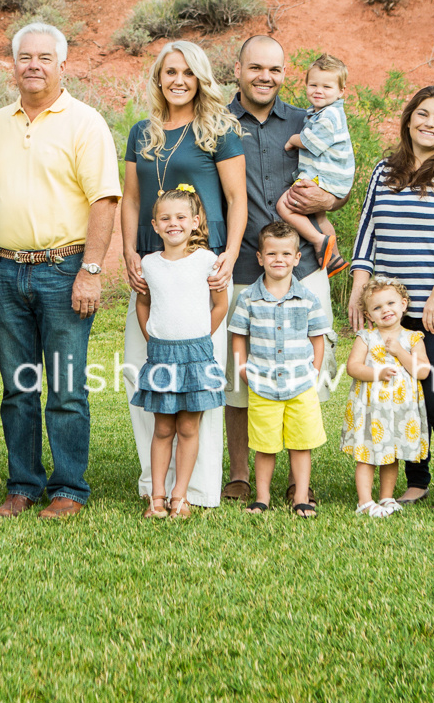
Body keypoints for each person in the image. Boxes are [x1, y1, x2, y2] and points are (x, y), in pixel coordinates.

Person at [0, 22, 121, 519]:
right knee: (17, 387)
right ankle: (22, 484)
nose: (33, 65)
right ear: (12, 66)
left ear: (62, 65)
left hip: (65, 269)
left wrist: (92, 269)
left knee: (66, 387)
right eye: (24, 58)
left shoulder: (84, 122)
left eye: (44, 58)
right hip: (4, 271)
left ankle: (69, 488)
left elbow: (104, 199)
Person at [223, 35, 348, 504]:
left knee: (307, 373)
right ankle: (239, 473)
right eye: (256, 68)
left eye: (274, 70)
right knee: (241, 378)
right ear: (238, 69)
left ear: (284, 73)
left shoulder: (306, 119)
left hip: (305, 266)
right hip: (240, 266)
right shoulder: (218, 122)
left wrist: (335, 200)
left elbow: (338, 175)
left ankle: (300, 479)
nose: (265, 77)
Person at [122, 40, 246, 508]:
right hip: (152, 264)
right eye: (169, 72)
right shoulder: (141, 132)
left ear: (200, 79)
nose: (178, 80)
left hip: (203, 265)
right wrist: (132, 253)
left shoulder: (219, 130)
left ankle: (195, 488)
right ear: (159, 78)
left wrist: (229, 255)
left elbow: (236, 199)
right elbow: (131, 200)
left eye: (187, 73)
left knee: (199, 381)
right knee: (144, 371)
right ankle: (153, 484)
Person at [348, 85, 434, 506]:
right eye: (423, 113)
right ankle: (416, 480)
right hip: (388, 313)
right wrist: (358, 289)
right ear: (408, 118)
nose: (430, 123)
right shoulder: (384, 170)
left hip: (432, 308)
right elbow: (366, 234)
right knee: (398, 394)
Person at [131, 186, 228, 519]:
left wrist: (200, 337)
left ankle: (180, 497)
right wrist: (153, 335)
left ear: (195, 221)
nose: (174, 224)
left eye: (181, 217)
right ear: (155, 225)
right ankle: (156, 497)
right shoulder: (149, 264)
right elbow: (143, 303)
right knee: (162, 429)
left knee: (189, 429)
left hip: (197, 356)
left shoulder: (207, 261)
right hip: (161, 355)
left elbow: (220, 304)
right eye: (165, 218)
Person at [229, 222, 331, 517]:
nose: (279, 259)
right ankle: (262, 497)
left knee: (302, 443)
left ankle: (300, 496)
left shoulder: (307, 298)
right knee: (265, 444)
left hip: (301, 385)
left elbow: (317, 337)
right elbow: (238, 336)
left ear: (297, 258)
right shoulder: (248, 297)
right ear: (260, 257)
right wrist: (242, 368)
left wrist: (314, 369)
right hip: (262, 383)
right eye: (272, 253)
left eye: (286, 253)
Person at [342, 276, 430, 517]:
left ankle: (387, 497)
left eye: (390, 303)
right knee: (368, 455)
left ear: (403, 304)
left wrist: (399, 351)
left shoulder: (413, 338)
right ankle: (365, 501)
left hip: (400, 411)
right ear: (369, 315)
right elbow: (353, 367)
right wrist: (377, 373)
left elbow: (422, 371)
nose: (385, 310)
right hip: (372, 409)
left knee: (391, 455)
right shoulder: (366, 337)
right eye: (377, 308)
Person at [276, 54, 354, 276]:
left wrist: (292, 140)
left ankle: (318, 241)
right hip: (332, 176)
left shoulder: (329, 115)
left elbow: (312, 142)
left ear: (341, 91)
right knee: (320, 216)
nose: (319, 91)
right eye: (313, 85)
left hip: (325, 176)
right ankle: (335, 258)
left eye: (327, 86)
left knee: (284, 206)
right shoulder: (324, 112)